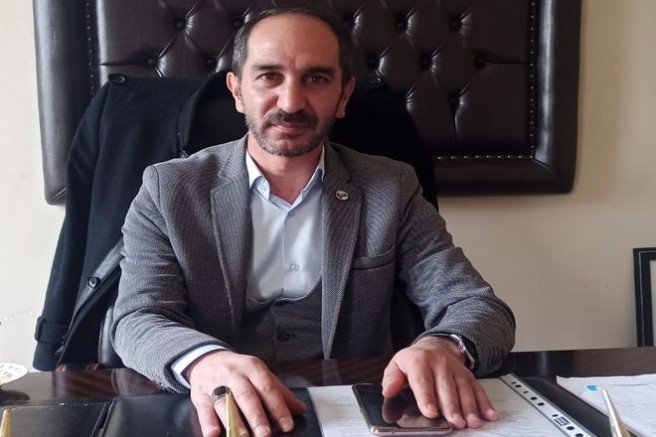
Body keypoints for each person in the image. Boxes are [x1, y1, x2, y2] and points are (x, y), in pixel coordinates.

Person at [111, 6, 515, 437]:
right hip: (218, 417)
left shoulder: (391, 187)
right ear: (237, 91)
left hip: (356, 415)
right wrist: (204, 362)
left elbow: (479, 307)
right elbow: (138, 317)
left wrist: (445, 346)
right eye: (269, 76)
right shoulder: (169, 189)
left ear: (343, 97)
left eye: (316, 78)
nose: (291, 103)